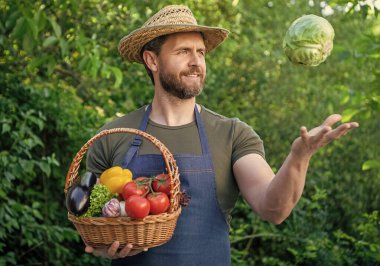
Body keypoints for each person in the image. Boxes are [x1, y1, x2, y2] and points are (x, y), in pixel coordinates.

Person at [84, 4, 359, 265]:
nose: (196, 62)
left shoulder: (232, 134)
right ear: (152, 60)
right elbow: (88, 225)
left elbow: (274, 209)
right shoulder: (112, 136)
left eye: (201, 52)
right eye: (183, 52)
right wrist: (102, 248)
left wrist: (300, 156)